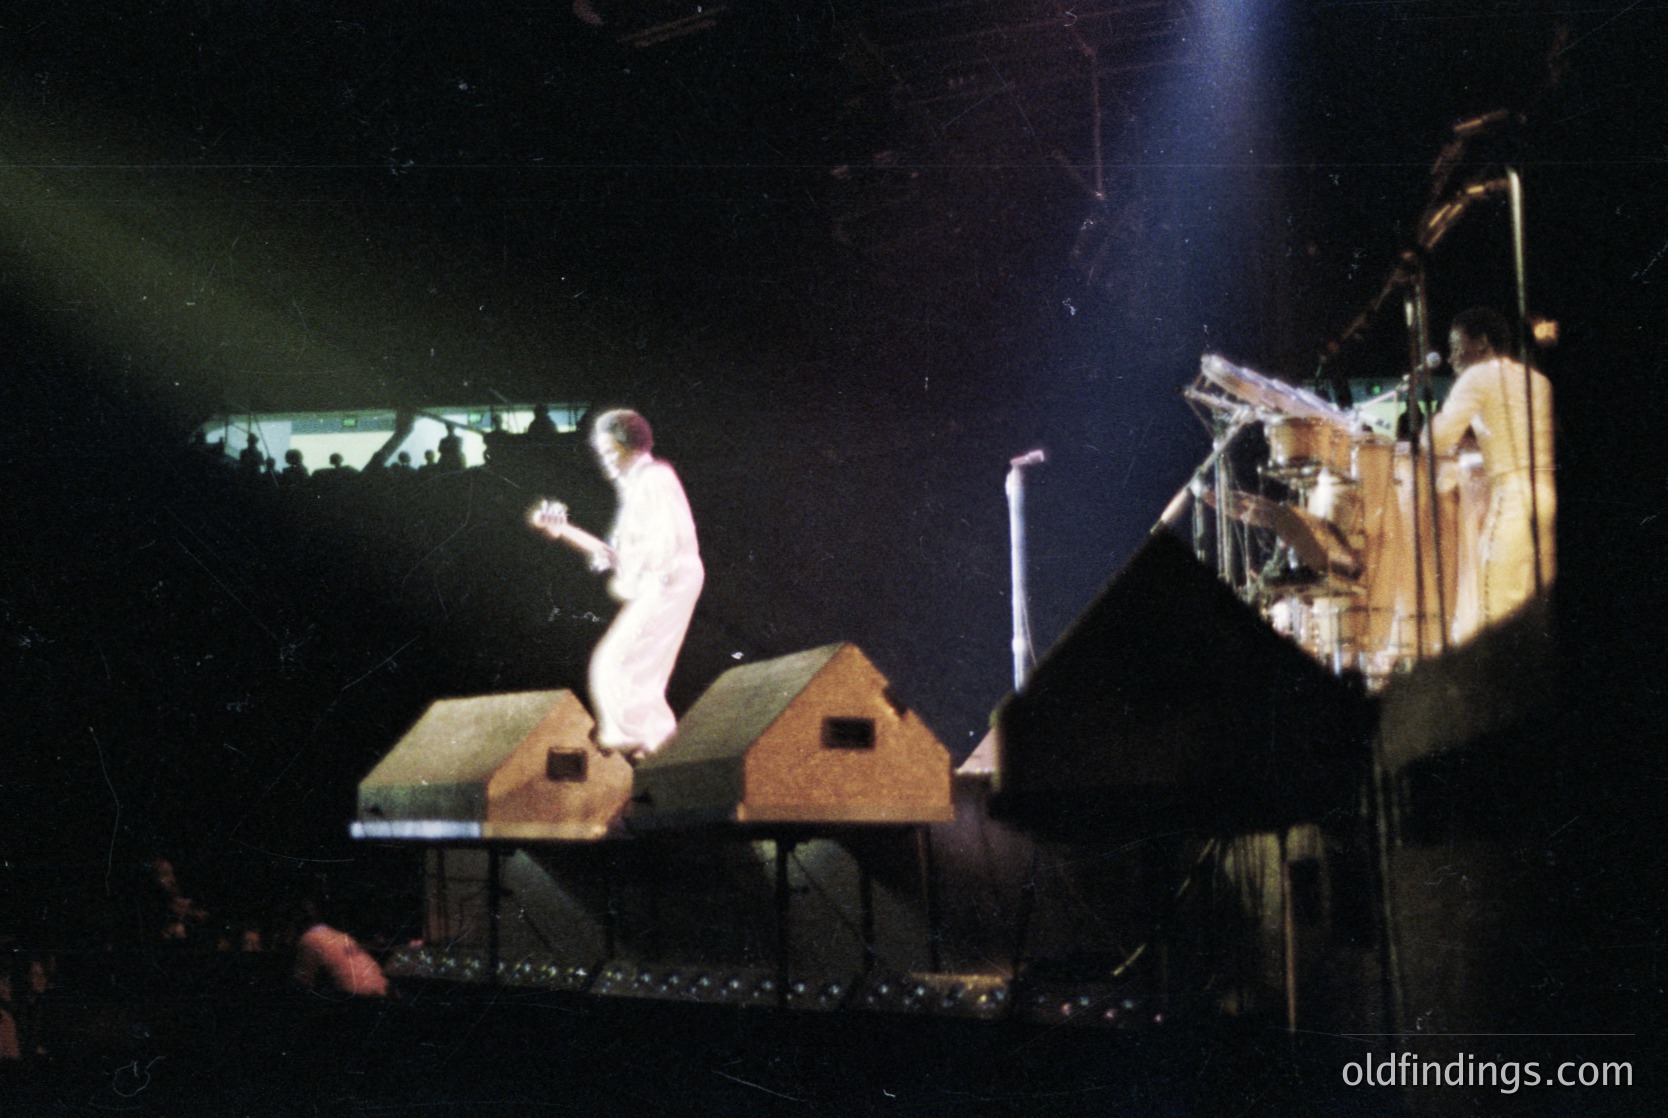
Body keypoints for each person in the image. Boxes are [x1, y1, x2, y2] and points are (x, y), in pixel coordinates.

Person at [530, 409, 703, 760]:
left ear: (632, 447)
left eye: (610, 451)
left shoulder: (655, 477)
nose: (605, 460)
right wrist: (563, 531)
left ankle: (645, 745)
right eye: (602, 452)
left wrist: (641, 579)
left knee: (617, 665)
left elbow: (667, 541)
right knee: (626, 670)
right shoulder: (637, 487)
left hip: (669, 580)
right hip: (661, 581)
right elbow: (616, 557)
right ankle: (653, 747)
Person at [1426, 306, 1556, 642]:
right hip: (1550, 498)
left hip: (1514, 500)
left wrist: (1426, 432)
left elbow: (1438, 438)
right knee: (1538, 616)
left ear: (1482, 343)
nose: (1452, 359)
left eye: (1457, 347)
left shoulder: (1479, 376)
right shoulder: (1539, 381)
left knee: (1494, 611)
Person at [289, 901, 389, 998]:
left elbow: (302, 983)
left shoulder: (309, 939)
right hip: (382, 991)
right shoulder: (336, 934)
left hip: (358, 999)